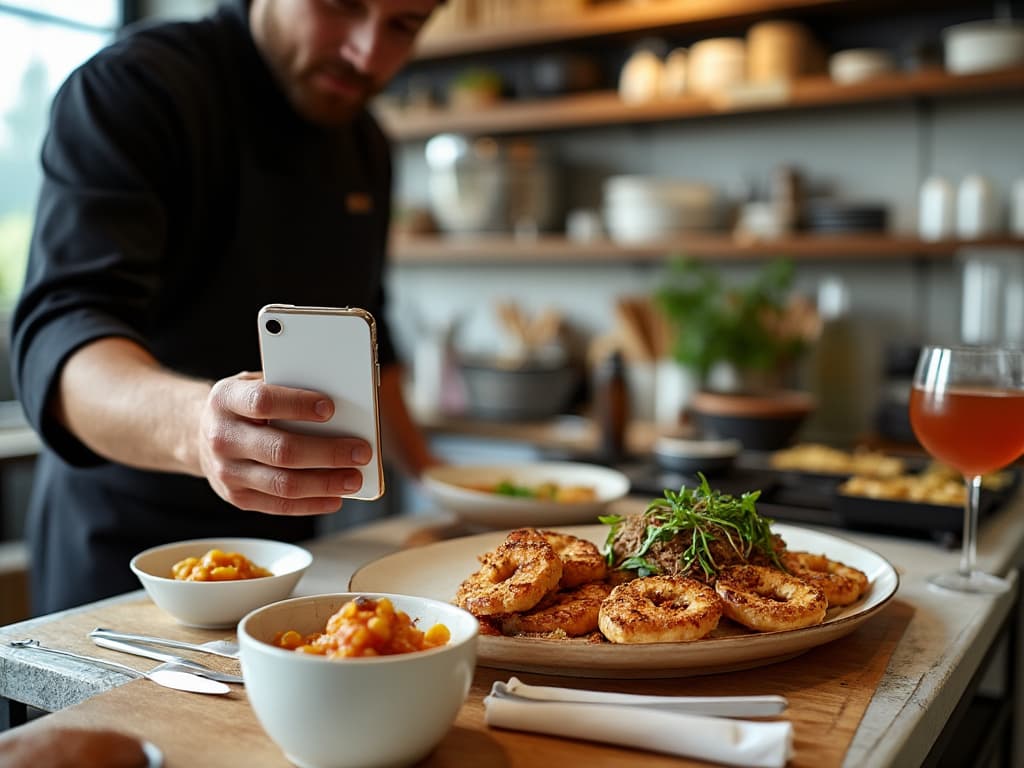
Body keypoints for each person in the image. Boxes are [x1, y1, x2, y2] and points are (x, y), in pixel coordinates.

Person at [10, 0, 444, 614]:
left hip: (289, 556)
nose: (368, 53)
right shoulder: (136, 87)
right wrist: (199, 427)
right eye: (341, 5)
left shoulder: (367, 144)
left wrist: (436, 480)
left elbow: (371, 331)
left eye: (405, 24)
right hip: (125, 561)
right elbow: (64, 336)